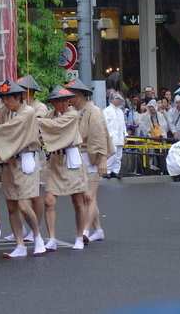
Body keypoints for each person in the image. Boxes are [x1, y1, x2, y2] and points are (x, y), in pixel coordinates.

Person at [0, 80, 46, 258]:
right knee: (11, 204)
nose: (5, 102)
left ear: (18, 97)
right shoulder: (7, 112)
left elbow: (4, 130)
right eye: (3, 99)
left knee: (23, 204)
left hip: (26, 159)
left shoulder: (28, 112)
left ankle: (37, 237)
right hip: (10, 160)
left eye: (8, 98)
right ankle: (20, 245)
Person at [36, 86, 86, 252]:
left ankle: (79, 235)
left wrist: (34, 120)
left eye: (66, 100)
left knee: (78, 201)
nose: (64, 103)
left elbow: (55, 126)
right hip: (55, 160)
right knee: (49, 200)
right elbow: (42, 132)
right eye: (60, 100)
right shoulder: (48, 116)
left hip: (71, 159)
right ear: (53, 102)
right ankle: (51, 238)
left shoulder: (71, 115)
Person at [66, 78, 111, 244]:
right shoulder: (69, 111)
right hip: (75, 157)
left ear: (80, 95)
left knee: (89, 196)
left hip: (92, 155)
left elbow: (100, 137)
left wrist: (102, 159)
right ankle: (98, 230)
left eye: (71, 96)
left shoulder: (94, 111)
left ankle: (85, 230)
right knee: (82, 197)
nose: (68, 99)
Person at [102, 92, 127, 179]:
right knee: (111, 155)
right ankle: (107, 171)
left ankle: (115, 171)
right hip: (112, 137)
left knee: (118, 156)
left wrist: (125, 135)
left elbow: (123, 124)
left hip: (120, 136)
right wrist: (109, 136)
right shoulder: (107, 111)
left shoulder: (120, 111)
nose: (118, 100)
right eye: (116, 99)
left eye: (119, 99)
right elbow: (105, 125)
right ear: (111, 99)